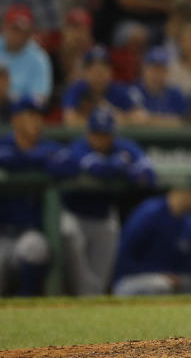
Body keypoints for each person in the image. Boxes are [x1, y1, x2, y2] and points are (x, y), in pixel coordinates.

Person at [60, 109, 155, 295]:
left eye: (106, 134)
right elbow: (98, 169)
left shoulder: (124, 147)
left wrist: (120, 165)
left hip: (104, 216)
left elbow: (148, 175)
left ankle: (91, 306)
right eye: (97, 134)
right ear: (88, 133)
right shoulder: (78, 146)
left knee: (99, 283)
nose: (102, 140)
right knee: (68, 236)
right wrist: (121, 165)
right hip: (74, 214)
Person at [0, 99, 64, 296]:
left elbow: (68, 164)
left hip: (31, 232)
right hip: (3, 233)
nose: (36, 122)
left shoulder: (50, 146)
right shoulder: (4, 145)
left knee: (35, 248)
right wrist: (37, 159)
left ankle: (27, 303)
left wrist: (22, 160)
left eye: (39, 116)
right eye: (30, 116)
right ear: (16, 121)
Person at [112, 189, 191, 296]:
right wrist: (159, 274)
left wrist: (175, 277)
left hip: (171, 281)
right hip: (133, 280)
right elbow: (123, 258)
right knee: (160, 284)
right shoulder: (149, 213)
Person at [62, 45, 138, 127]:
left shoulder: (121, 90)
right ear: (85, 72)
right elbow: (70, 120)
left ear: (110, 71)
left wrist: (112, 112)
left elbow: (138, 119)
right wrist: (106, 122)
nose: (98, 75)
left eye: (102, 70)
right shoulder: (75, 90)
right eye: (94, 70)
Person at [0, 5, 52, 104]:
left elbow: (41, 97)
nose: (19, 35)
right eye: (15, 29)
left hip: (20, 110)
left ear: (30, 33)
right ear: (4, 27)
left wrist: (11, 98)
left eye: (24, 31)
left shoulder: (39, 57)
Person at [127, 47, 189, 126]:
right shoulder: (132, 91)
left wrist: (150, 119)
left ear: (166, 72)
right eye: (154, 70)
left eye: (161, 70)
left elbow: (184, 122)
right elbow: (126, 119)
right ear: (144, 69)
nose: (157, 75)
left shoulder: (176, 94)